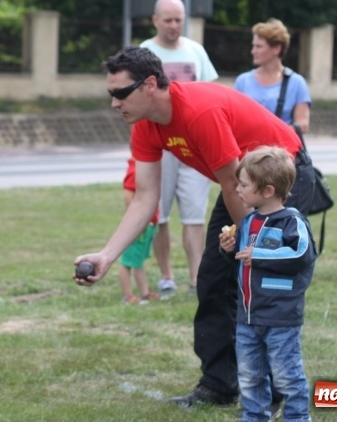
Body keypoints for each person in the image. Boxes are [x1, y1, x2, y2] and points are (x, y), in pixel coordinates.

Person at [73, 45, 315, 410]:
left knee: (266, 286)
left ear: (149, 85)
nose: (114, 103)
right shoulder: (145, 126)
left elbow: (236, 185)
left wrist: (255, 248)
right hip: (241, 185)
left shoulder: (198, 112)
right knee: (214, 280)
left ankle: (278, 391)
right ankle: (220, 385)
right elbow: (145, 197)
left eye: (120, 93)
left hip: (279, 180)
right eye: (111, 94)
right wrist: (107, 256)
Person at [219, 146, 316, 422]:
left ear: (268, 190)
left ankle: (297, 417)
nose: (238, 189)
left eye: (245, 184)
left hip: (280, 316)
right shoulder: (248, 221)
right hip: (247, 317)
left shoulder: (292, 222)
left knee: (286, 373)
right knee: (250, 373)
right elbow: (241, 262)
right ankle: (255, 416)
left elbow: (302, 254)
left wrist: (259, 255)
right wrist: (229, 249)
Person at [140, 0, 218, 298]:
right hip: (159, 147)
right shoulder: (145, 52)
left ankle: (197, 279)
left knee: (195, 215)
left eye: (179, 20)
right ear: (155, 20)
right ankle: (166, 276)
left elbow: (209, 93)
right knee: (159, 213)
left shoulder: (195, 51)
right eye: (168, 20)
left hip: (193, 145)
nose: (174, 26)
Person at [234, 18, 311, 133]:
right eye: (253, 46)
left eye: (259, 46)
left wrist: (270, 134)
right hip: (248, 149)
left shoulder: (296, 82)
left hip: (282, 149)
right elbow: (234, 120)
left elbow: (303, 124)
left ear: (276, 48)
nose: (253, 51)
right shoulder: (243, 81)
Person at [118, 157, 161, 304]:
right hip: (139, 226)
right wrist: (139, 220)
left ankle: (144, 292)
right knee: (127, 261)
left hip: (148, 224)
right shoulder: (136, 169)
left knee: (138, 261)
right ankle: (127, 295)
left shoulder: (145, 167)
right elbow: (128, 196)